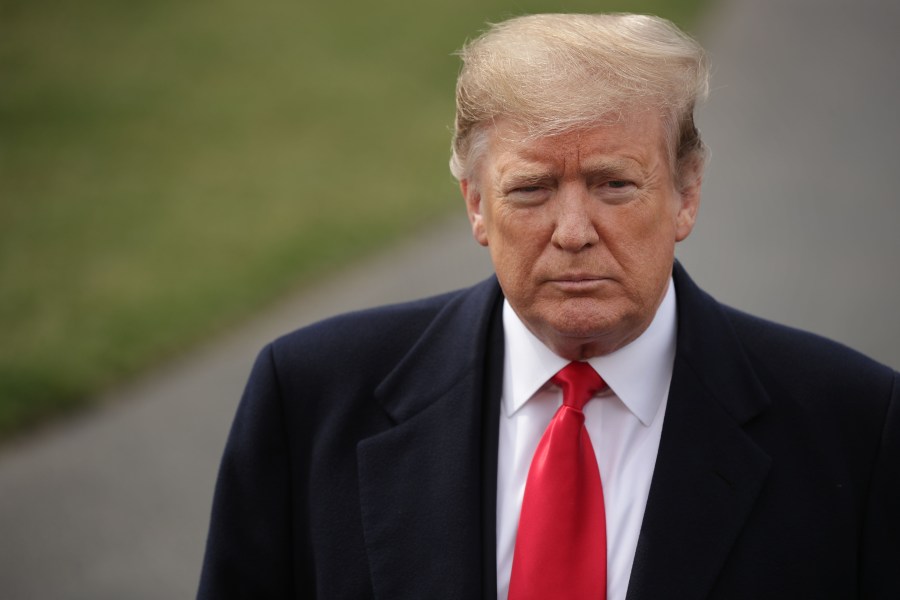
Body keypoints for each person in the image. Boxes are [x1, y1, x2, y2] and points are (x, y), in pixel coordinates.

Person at [197, 13, 898, 599]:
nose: (572, 231)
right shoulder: (310, 399)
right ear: (476, 204)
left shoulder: (856, 426)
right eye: (531, 190)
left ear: (686, 193)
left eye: (614, 185)